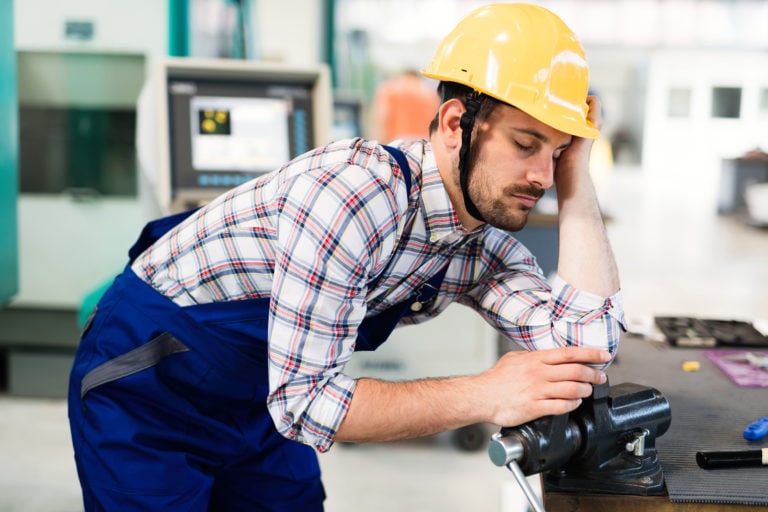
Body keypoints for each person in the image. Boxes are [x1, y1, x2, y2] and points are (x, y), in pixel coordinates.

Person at [68, 3, 625, 511]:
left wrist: (577, 178)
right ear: (456, 125)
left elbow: (589, 345)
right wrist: (485, 393)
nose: (541, 177)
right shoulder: (351, 196)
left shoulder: (474, 244)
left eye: (555, 153)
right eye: (526, 145)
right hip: (149, 390)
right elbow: (307, 406)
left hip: (256, 399)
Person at [372, 68, 440, 143]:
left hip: (398, 139)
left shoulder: (391, 88)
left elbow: (384, 115)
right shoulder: (429, 92)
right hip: (424, 140)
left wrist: (382, 140)